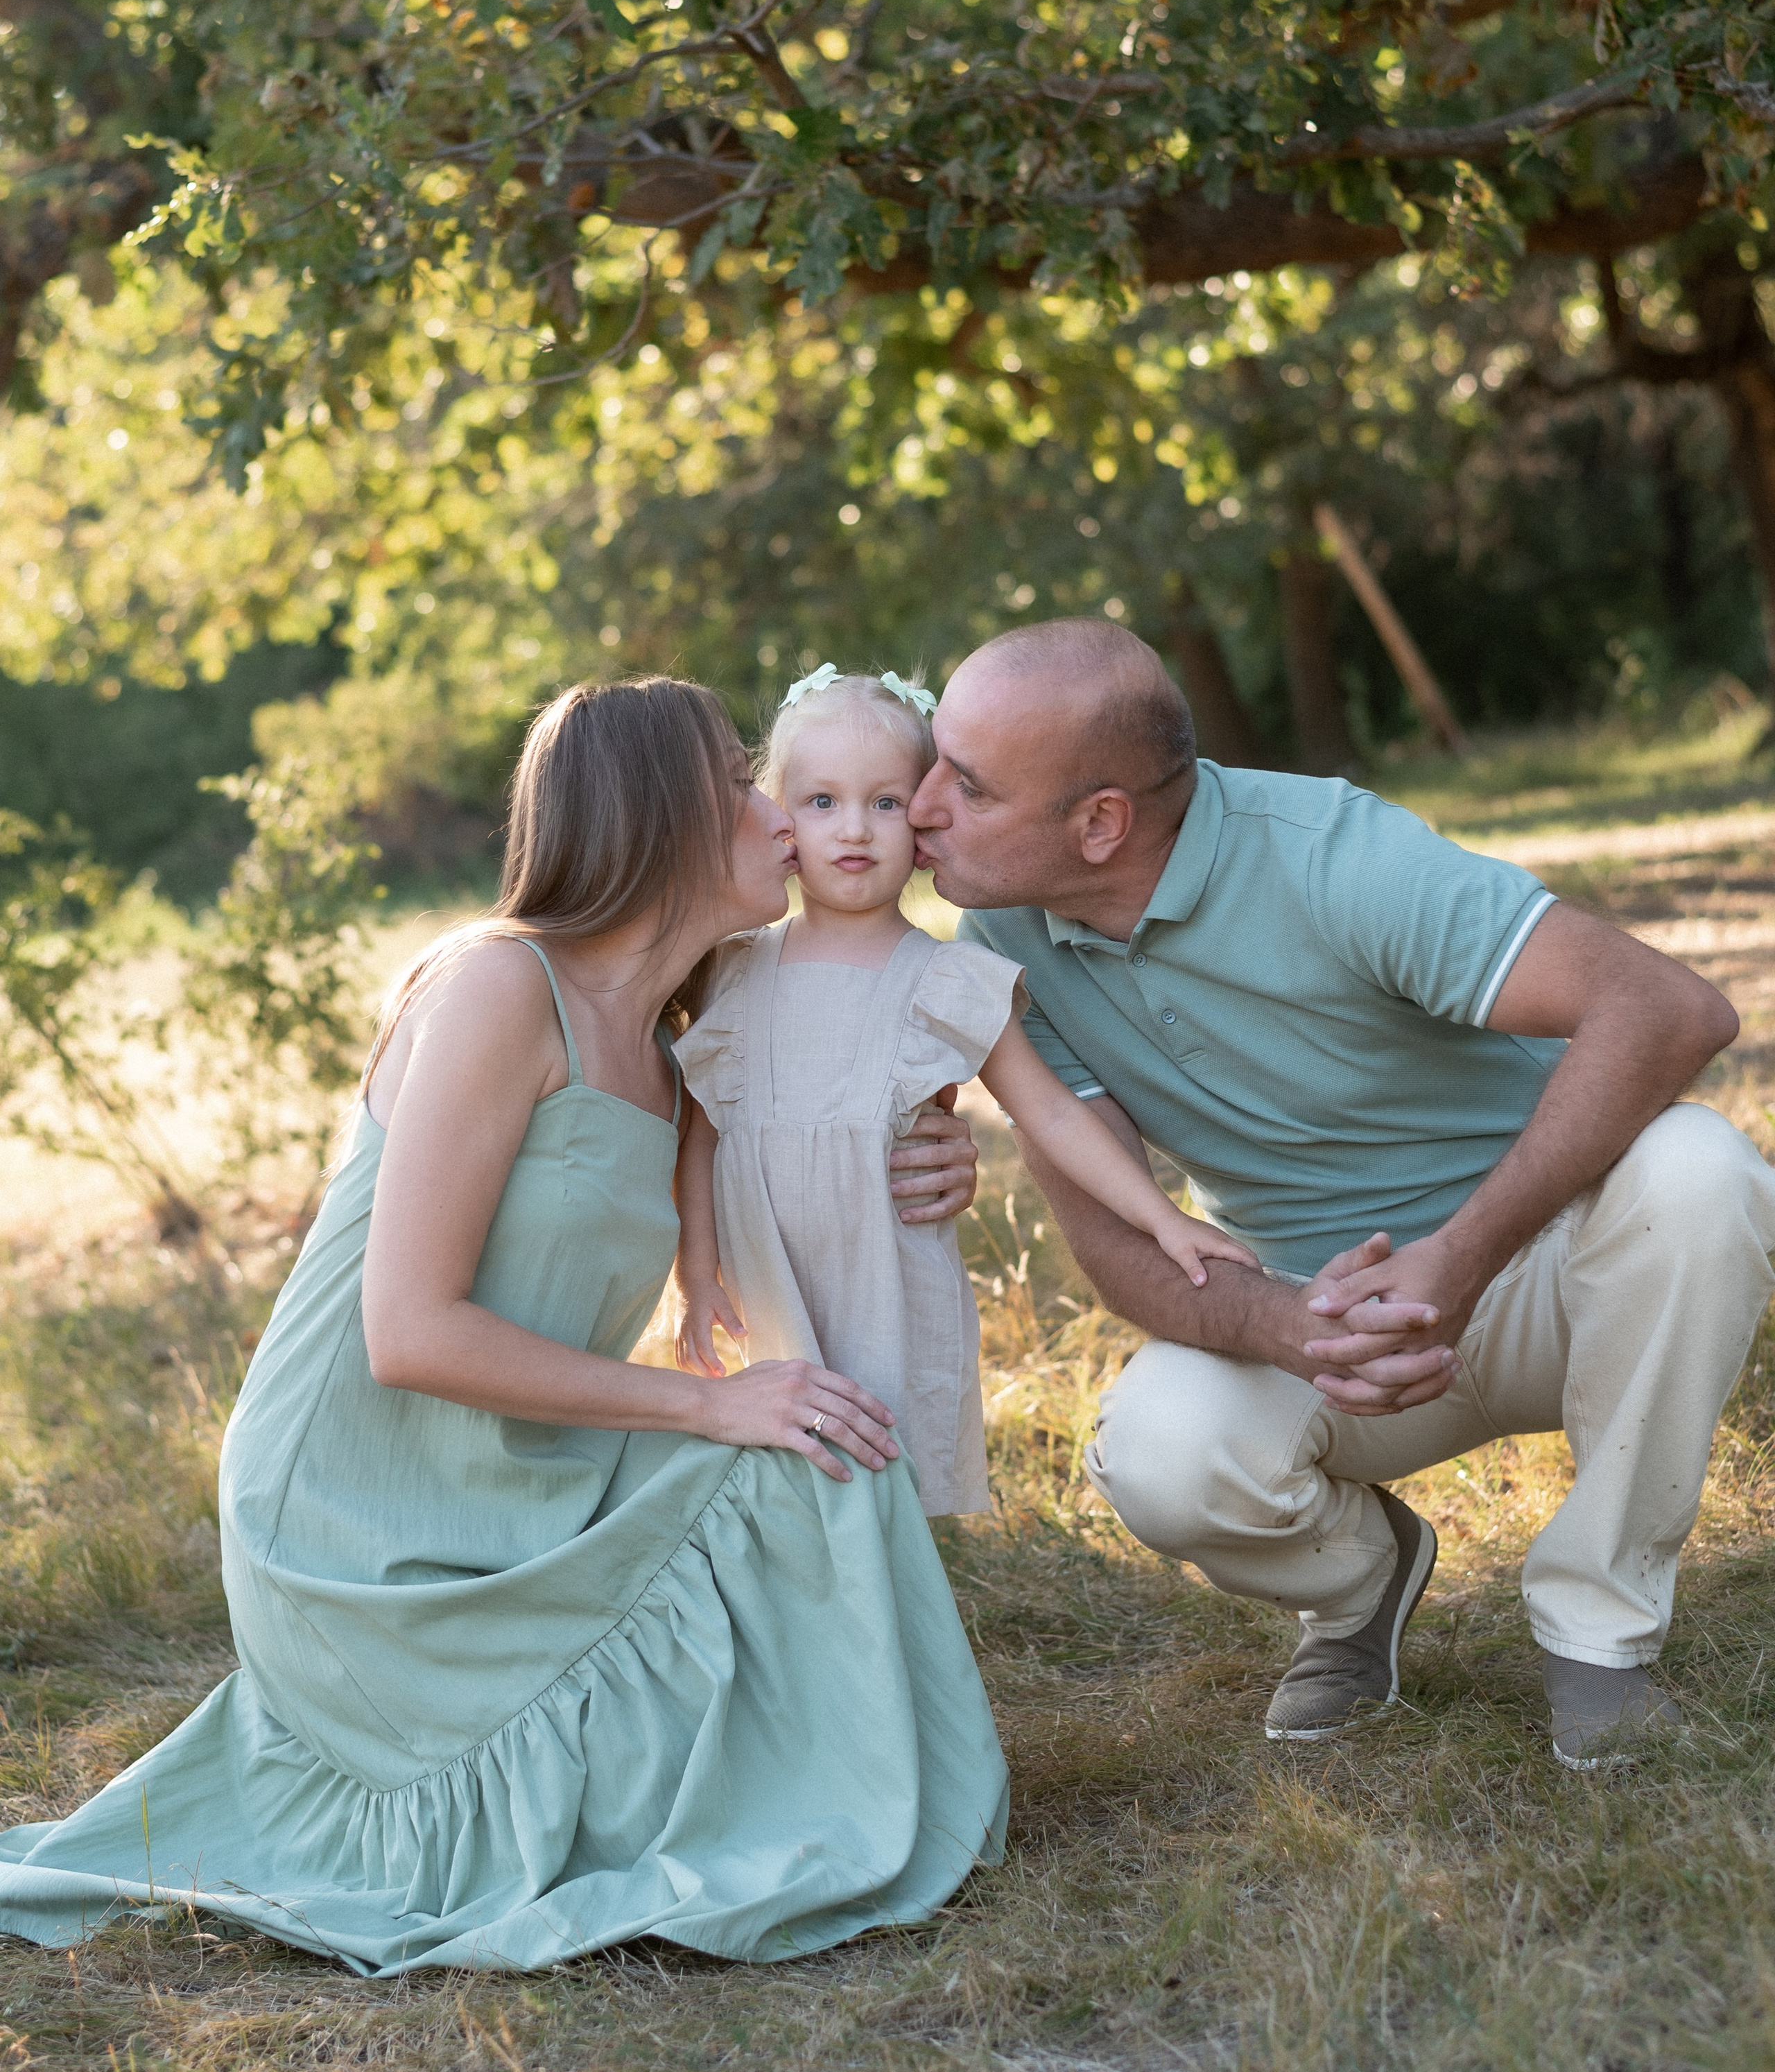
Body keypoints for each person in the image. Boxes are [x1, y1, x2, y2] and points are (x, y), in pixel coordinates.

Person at [0, 678, 1009, 1972]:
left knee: (832, 1452)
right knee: (776, 1435)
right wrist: (707, 1401)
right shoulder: (497, 989)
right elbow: (410, 1334)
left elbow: (838, 1107)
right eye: (746, 788)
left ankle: (848, 1795)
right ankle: (753, 1795)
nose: (780, 818)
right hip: (356, 1529)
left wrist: (936, 1156)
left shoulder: (671, 1037)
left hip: (528, 1482)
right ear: (661, 816)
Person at [910, 617, 1775, 1769]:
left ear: (1100, 823)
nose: (919, 806)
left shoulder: (1329, 856)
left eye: (963, 785)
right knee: (1160, 1447)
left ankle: (1601, 1636)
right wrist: (1288, 1321)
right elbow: (1120, 1250)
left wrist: (1460, 1256)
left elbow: (1670, 1011)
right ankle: (1365, 1584)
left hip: (1554, 1267)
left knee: (1701, 1173)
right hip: (1335, 1328)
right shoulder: (1004, 940)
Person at [673, 664, 1256, 1514]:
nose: (855, 831)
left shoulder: (944, 979)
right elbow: (701, 1132)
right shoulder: (732, 967)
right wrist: (697, 1273)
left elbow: (1049, 1109)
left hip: (887, 1280)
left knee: (881, 1467)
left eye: (885, 803)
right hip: (767, 1271)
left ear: (923, 822)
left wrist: (1163, 1217)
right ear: (779, 814)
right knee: (778, 1476)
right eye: (822, 801)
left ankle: (903, 1614)